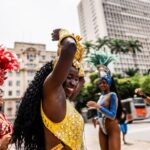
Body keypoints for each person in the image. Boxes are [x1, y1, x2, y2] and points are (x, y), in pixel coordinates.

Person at [11, 29, 85, 150]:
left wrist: (77, 62)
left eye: (76, 79)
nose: (73, 82)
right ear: (57, 74)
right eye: (69, 76)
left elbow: (82, 80)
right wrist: (63, 32)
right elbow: (70, 45)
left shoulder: (65, 101)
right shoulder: (52, 91)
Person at [87, 65, 122, 150]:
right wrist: (96, 118)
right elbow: (101, 112)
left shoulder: (112, 95)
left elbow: (112, 115)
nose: (102, 84)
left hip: (112, 128)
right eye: (100, 83)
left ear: (109, 83)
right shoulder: (101, 96)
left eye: (104, 82)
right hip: (102, 129)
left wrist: (96, 106)